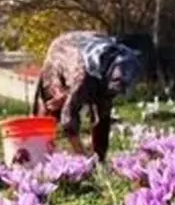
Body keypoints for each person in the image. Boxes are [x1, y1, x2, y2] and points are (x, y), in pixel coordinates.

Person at [32, 31, 142, 162]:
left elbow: (103, 116)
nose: (118, 93)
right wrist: (82, 155)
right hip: (64, 50)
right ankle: (37, 155)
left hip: (90, 49)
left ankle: (99, 158)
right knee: (52, 108)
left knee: (103, 107)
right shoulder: (82, 76)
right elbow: (68, 119)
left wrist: (99, 157)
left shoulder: (123, 61)